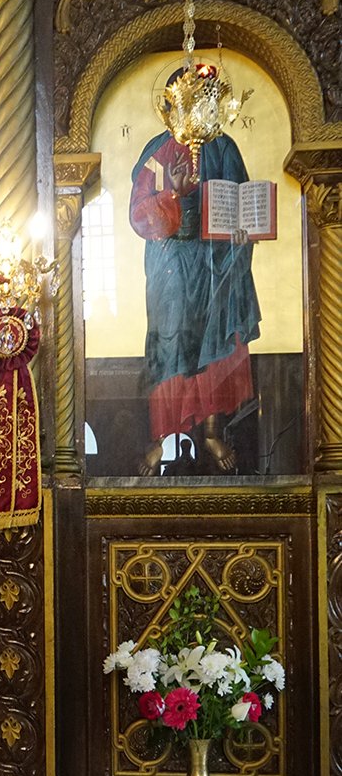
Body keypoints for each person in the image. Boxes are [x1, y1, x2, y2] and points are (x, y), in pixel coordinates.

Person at [129, 72, 261, 476]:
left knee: (215, 342)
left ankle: (211, 431)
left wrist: (244, 228)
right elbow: (139, 215)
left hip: (215, 259)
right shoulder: (158, 151)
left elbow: (242, 200)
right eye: (188, 101)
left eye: (203, 101)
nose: (196, 109)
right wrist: (172, 194)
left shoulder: (223, 147)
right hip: (171, 261)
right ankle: (162, 439)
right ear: (172, 105)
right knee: (170, 345)